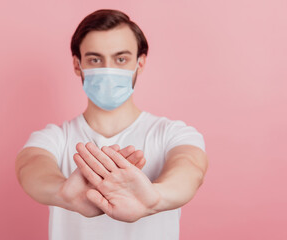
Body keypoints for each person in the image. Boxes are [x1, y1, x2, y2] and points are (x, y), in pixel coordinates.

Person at [15, 9, 208, 240]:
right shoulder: (54, 137)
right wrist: (62, 193)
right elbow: (30, 167)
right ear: (78, 65)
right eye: (95, 59)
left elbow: (191, 168)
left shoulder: (173, 134)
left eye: (121, 59)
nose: (108, 70)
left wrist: (155, 198)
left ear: (141, 62)